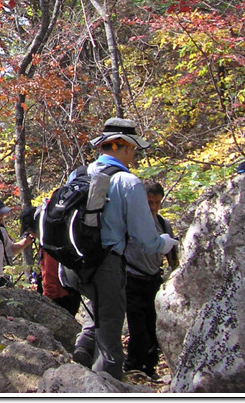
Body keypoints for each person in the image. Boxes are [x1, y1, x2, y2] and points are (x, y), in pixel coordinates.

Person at [60, 118, 179, 381]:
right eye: (133, 148)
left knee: (95, 317)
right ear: (123, 145)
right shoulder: (128, 182)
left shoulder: (79, 173)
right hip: (107, 266)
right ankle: (106, 386)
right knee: (111, 335)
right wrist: (165, 243)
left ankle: (78, 367)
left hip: (73, 264)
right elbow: (145, 238)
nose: (133, 155)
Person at [123, 181, 179, 378]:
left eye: (157, 203)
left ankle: (150, 366)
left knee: (153, 326)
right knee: (137, 327)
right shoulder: (130, 223)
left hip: (153, 280)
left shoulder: (164, 224)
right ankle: (133, 366)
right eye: (149, 202)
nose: (153, 207)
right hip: (131, 278)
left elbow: (172, 254)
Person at [19, 206, 81, 315]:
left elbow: (50, 276)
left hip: (60, 298)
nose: (32, 236)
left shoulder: (49, 245)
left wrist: (47, 302)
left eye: (30, 233)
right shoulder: (59, 236)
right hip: (72, 292)